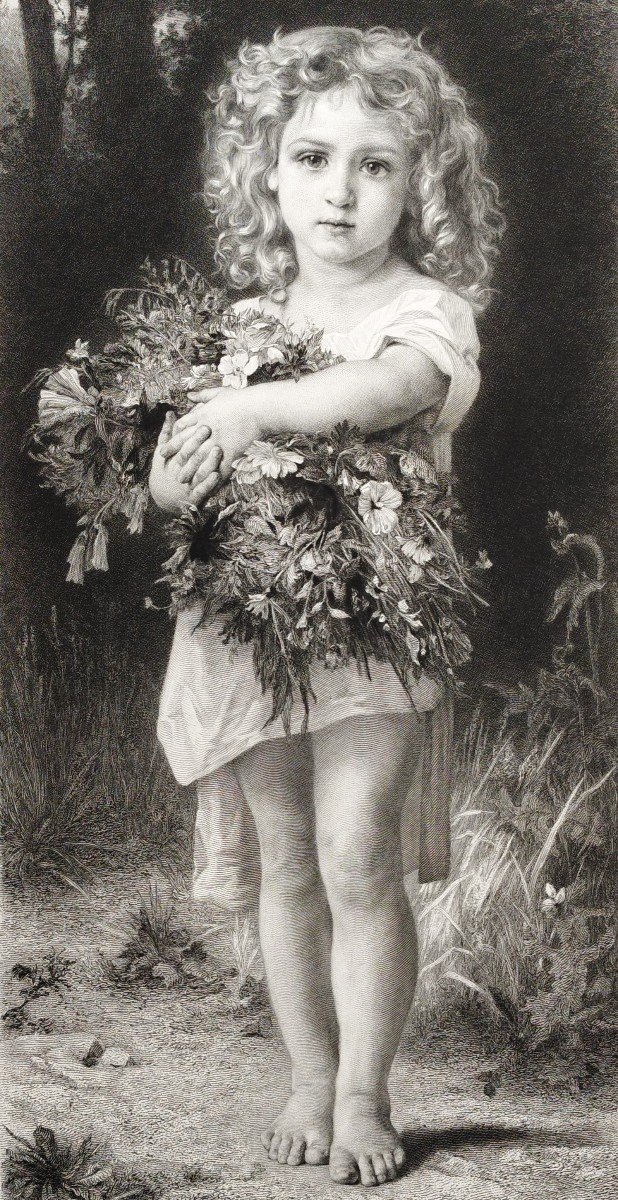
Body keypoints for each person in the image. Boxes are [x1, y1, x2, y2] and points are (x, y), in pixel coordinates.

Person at [149, 25, 502, 1187]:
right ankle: (309, 1071)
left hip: (373, 632)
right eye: (310, 158)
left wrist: (255, 414)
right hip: (252, 630)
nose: (340, 192)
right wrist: (177, 466)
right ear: (266, 174)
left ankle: (364, 1090)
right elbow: (172, 462)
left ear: (424, 184)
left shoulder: (426, 317)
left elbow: (380, 394)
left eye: (376, 163)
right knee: (287, 861)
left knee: (360, 858)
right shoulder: (241, 328)